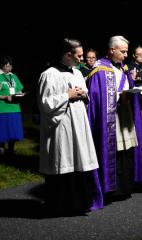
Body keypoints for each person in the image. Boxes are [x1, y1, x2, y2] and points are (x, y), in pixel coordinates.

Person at [37, 38, 100, 215]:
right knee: (64, 161)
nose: (82, 58)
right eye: (79, 55)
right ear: (68, 54)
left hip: (78, 125)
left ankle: (80, 203)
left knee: (79, 161)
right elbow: (44, 104)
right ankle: (61, 205)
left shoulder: (77, 73)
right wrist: (67, 95)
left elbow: (85, 96)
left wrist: (82, 94)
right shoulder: (50, 75)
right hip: (61, 127)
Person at [87, 35, 142, 202]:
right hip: (109, 118)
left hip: (125, 114)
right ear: (111, 50)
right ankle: (111, 188)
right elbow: (96, 97)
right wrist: (117, 97)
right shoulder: (99, 69)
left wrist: (129, 95)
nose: (126, 55)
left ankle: (127, 185)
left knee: (127, 149)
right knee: (114, 150)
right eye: (123, 52)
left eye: (127, 52)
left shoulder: (123, 68)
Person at [0, 56, 24, 155]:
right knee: (2, 131)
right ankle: (1, 150)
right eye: (7, 66)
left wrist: (19, 94)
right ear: (1, 66)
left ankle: (11, 150)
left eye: (10, 66)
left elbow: (19, 89)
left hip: (14, 107)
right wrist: (5, 97)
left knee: (13, 131)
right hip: (2, 108)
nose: (9, 69)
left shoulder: (13, 76)